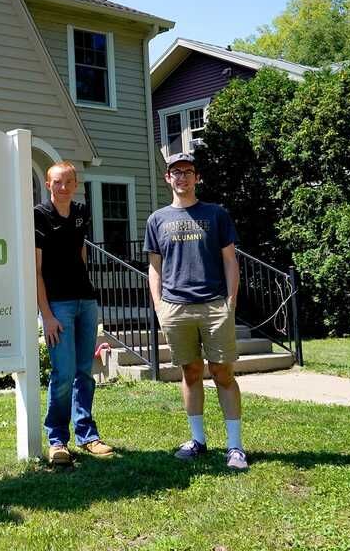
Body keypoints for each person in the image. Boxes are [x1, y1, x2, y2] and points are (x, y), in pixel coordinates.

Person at [144, 152, 248, 470]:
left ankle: (235, 447)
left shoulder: (215, 214)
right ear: (168, 179)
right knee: (190, 374)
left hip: (214, 304)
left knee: (222, 373)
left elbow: (230, 260)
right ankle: (198, 440)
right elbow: (154, 268)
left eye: (188, 172)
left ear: (196, 177)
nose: (182, 177)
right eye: (176, 172)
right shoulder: (157, 220)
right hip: (176, 307)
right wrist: (160, 305)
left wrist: (230, 302)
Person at [34, 161, 114, 465]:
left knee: (85, 371)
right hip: (58, 306)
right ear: (48, 184)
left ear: (76, 184)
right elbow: (36, 271)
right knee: (64, 373)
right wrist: (47, 314)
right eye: (57, 182)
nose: (63, 187)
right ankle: (57, 441)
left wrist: (86, 286)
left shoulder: (81, 212)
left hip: (85, 300)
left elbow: (80, 250)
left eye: (68, 182)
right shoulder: (40, 216)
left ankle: (87, 434)